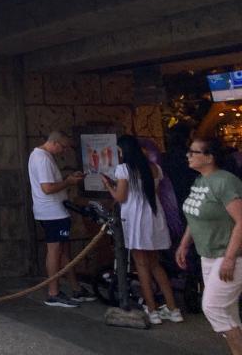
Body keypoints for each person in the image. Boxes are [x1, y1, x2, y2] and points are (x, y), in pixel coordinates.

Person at [102, 135, 181, 325]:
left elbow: (121, 197)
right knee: (156, 264)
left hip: (136, 219)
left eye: (119, 151)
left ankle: (152, 310)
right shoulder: (154, 168)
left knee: (141, 265)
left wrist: (108, 186)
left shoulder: (124, 169)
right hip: (154, 216)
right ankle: (173, 309)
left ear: (123, 150)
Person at [177, 138, 242, 353]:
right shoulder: (200, 181)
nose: (189, 155)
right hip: (208, 254)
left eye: (193, 152)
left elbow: (241, 220)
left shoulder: (225, 181)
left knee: (213, 307)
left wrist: (230, 258)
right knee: (228, 311)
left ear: (209, 157)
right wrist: (185, 243)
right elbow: (195, 215)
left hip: (229, 254)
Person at [27, 131, 93, 306]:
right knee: (55, 250)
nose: (63, 151)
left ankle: (75, 288)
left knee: (63, 251)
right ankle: (53, 292)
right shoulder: (42, 158)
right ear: (54, 143)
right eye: (63, 147)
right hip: (51, 212)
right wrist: (68, 182)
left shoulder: (41, 156)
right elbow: (47, 188)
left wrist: (67, 179)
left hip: (56, 210)